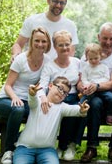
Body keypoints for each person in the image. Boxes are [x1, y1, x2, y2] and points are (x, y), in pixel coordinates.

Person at [0, 26, 52, 164]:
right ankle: (8, 151)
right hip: (6, 99)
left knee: (44, 113)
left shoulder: (47, 61)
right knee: (18, 109)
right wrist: (14, 97)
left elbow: (42, 84)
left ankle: (20, 141)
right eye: (37, 41)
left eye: (43, 41)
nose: (40, 44)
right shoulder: (20, 59)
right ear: (31, 42)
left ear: (48, 43)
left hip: (29, 100)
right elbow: (8, 85)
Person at [80, 23, 112, 163]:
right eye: (105, 38)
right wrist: (84, 88)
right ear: (98, 37)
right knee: (95, 104)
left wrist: (97, 85)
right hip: (94, 97)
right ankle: (91, 147)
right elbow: (81, 76)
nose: (108, 42)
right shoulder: (88, 54)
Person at [14, 80, 88, 164]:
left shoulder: (61, 108)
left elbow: (77, 110)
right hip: (25, 148)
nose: (62, 93)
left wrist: (82, 110)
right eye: (60, 88)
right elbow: (32, 100)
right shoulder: (38, 102)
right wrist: (32, 94)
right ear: (50, 86)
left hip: (47, 150)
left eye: (65, 93)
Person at [38, 30, 82, 160]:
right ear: (55, 47)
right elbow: (42, 85)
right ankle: (60, 146)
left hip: (73, 96)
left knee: (81, 108)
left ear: (71, 45)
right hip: (56, 99)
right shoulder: (49, 66)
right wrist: (43, 97)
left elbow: (80, 81)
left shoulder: (77, 62)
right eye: (60, 45)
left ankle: (71, 145)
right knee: (63, 108)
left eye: (67, 44)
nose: (64, 48)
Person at [12, 0, 78, 57]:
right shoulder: (32, 20)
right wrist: (16, 55)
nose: (58, 5)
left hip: (56, 66)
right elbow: (18, 45)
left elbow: (70, 53)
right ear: (48, 1)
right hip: (32, 65)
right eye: (55, 1)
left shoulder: (70, 25)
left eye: (62, 3)